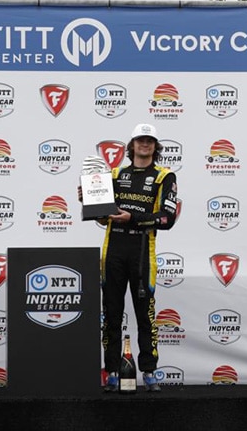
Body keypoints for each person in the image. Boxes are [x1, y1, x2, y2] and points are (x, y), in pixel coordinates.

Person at [80, 123, 178, 393]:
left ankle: (149, 371)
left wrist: (133, 217)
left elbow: (167, 219)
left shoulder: (164, 176)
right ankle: (111, 371)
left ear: (155, 147)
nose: (144, 145)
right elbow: (103, 216)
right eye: (140, 140)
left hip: (142, 251)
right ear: (132, 145)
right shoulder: (114, 173)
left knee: (145, 314)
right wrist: (89, 200)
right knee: (111, 314)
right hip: (113, 249)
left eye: (149, 141)